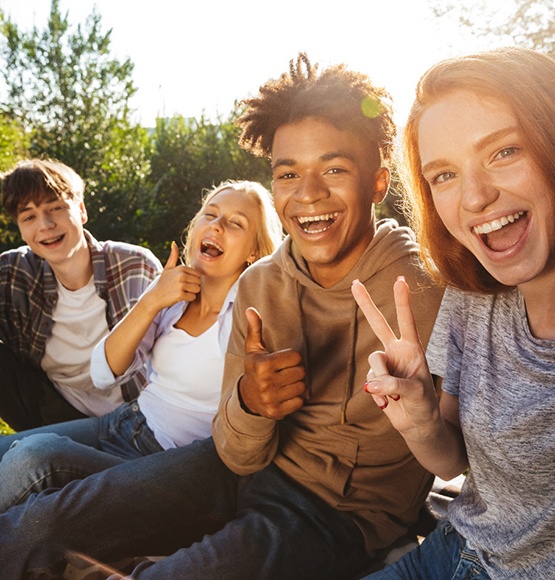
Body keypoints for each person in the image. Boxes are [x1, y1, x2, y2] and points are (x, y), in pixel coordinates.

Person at [0, 53, 443, 580]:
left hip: (335, 513)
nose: (308, 194)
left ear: (377, 182)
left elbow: (460, 452)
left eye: (334, 169)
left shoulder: (428, 288)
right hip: (227, 469)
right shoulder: (260, 285)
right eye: (288, 174)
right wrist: (251, 404)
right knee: (39, 526)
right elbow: (234, 451)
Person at [351, 46, 555, 579]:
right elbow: (453, 461)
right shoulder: (474, 296)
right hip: (458, 547)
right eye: (443, 175)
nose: (475, 196)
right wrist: (419, 420)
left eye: (504, 151)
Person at [0, 179, 283, 512]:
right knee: (8, 450)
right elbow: (104, 372)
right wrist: (151, 301)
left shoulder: (249, 314)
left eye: (236, 223)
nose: (217, 225)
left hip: (164, 458)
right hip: (124, 422)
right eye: (210, 214)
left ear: (253, 250)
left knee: (31, 460)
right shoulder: (174, 300)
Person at [0, 158, 162, 431]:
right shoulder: (13, 271)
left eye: (56, 208)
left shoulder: (136, 266)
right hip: (56, 412)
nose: (45, 225)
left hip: (138, 414)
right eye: (28, 217)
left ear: (82, 210)